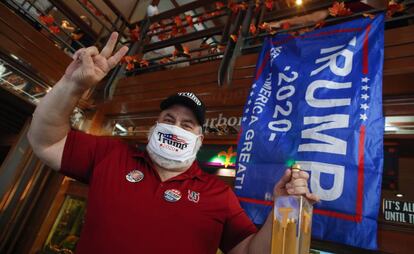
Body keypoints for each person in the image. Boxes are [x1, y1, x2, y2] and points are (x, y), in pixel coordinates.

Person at [27, 32, 319, 253]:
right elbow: (45, 142)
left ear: (199, 139)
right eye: (168, 120)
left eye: (187, 124)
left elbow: (250, 250)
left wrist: (287, 206)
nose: (175, 127)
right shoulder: (111, 154)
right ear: (155, 127)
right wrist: (73, 85)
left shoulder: (218, 195)